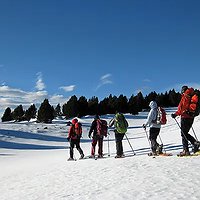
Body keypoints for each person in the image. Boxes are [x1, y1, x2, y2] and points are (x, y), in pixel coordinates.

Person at [171, 85, 199, 156]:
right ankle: (194, 143)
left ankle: (186, 150)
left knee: (183, 134)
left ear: (183, 90)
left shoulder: (186, 96)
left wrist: (175, 114)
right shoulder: (192, 95)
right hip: (191, 116)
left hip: (185, 117)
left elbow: (182, 108)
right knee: (185, 133)